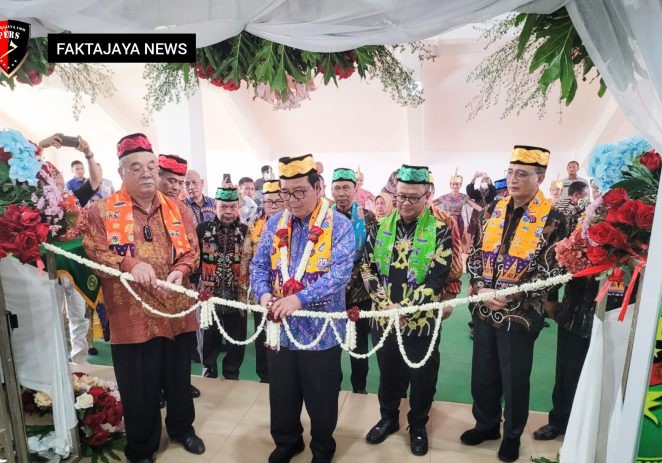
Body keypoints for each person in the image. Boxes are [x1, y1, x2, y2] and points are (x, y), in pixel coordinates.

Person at [83, 133, 205, 463]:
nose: (147, 173)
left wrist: (181, 268)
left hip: (177, 309)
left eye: (151, 166)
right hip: (131, 315)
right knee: (139, 386)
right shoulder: (101, 212)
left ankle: (183, 430)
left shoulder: (179, 209)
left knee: (179, 379)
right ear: (121, 172)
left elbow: (193, 251)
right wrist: (128, 263)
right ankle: (142, 447)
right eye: (136, 167)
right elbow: (94, 251)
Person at [461, 145, 566, 463]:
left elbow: (552, 268)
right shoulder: (491, 208)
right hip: (484, 306)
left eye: (522, 174)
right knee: (483, 372)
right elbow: (476, 252)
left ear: (541, 177)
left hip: (520, 313)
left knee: (515, 376)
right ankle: (486, 425)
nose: (514, 179)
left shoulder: (555, 219)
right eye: (510, 172)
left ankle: (512, 435)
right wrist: (479, 284)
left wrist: (514, 292)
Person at [250, 154, 354, 463]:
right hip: (280, 329)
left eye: (299, 192)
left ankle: (322, 447)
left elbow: (339, 274)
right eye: (285, 193)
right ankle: (287, 442)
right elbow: (258, 267)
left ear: (318, 187)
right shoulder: (273, 224)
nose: (292, 200)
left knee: (321, 395)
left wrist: (299, 299)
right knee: (282, 392)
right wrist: (264, 295)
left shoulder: (340, 225)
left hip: (321, 330)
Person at [363, 165, 455, 457]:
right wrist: (385, 304)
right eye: (401, 196)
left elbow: (437, 277)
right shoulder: (378, 227)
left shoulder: (440, 230)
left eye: (414, 198)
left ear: (427, 196)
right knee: (388, 371)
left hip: (422, 321)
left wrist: (406, 308)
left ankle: (417, 425)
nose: (405, 203)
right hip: (384, 316)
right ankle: (388, 418)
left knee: (422, 375)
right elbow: (367, 268)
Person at [533, 182, 592, 443]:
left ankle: (590, 429)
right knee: (566, 369)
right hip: (576, 306)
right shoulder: (584, 217)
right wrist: (550, 298)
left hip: (617, 311)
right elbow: (559, 257)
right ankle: (559, 421)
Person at [196, 186, 252, 380]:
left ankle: (232, 373)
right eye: (223, 207)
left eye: (232, 207)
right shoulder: (202, 229)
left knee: (237, 340)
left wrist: (244, 295)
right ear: (215, 207)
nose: (228, 211)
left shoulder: (245, 231)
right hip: (209, 296)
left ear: (238, 207)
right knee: (208, 339)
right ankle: (208, 371)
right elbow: (196, 264)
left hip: (236, 295)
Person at [330, 168, 377, 394]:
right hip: (330, 293)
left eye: (346, 187)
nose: (341, 193)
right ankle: (333, 387)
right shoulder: (323, 218)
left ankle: (360, 388)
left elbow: (371, 257)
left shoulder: (368, 218)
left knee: (359, 345)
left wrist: (353, 279)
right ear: (331, 189)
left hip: (360, 292)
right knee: (332, 344)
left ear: (355, 189)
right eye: (337, 187)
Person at [248, 179, 285, 383]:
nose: (272, 206)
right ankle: (264, 376)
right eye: (268, 202)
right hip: (261, 291)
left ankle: (281, 374)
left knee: (281, 332)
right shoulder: (256, 225)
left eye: (277, 201)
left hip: (284, 292)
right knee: (261, 332)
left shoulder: (290, 223)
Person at [433, 170, 472, 252]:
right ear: (450, 185)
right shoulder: (444, 197)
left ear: (460, 185)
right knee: (446, 239)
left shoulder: (464, 197)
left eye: (457, 184)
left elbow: (475, 206)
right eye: (453, 184)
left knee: (457, 240)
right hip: (447, 220)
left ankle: (457, 257)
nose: (455, 186)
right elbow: (431, 203)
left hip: (459, 221)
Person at [466, 172, 497, 238]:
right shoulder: (477, 193)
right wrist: (474, 178)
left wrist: (489, 183)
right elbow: (469, 191)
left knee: (487, 234)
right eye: (483, 181)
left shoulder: (491, 192)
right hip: (477, 217)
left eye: (486, 181)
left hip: (488, 216)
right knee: (475, 236)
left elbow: (495, 192)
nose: (484, 182)